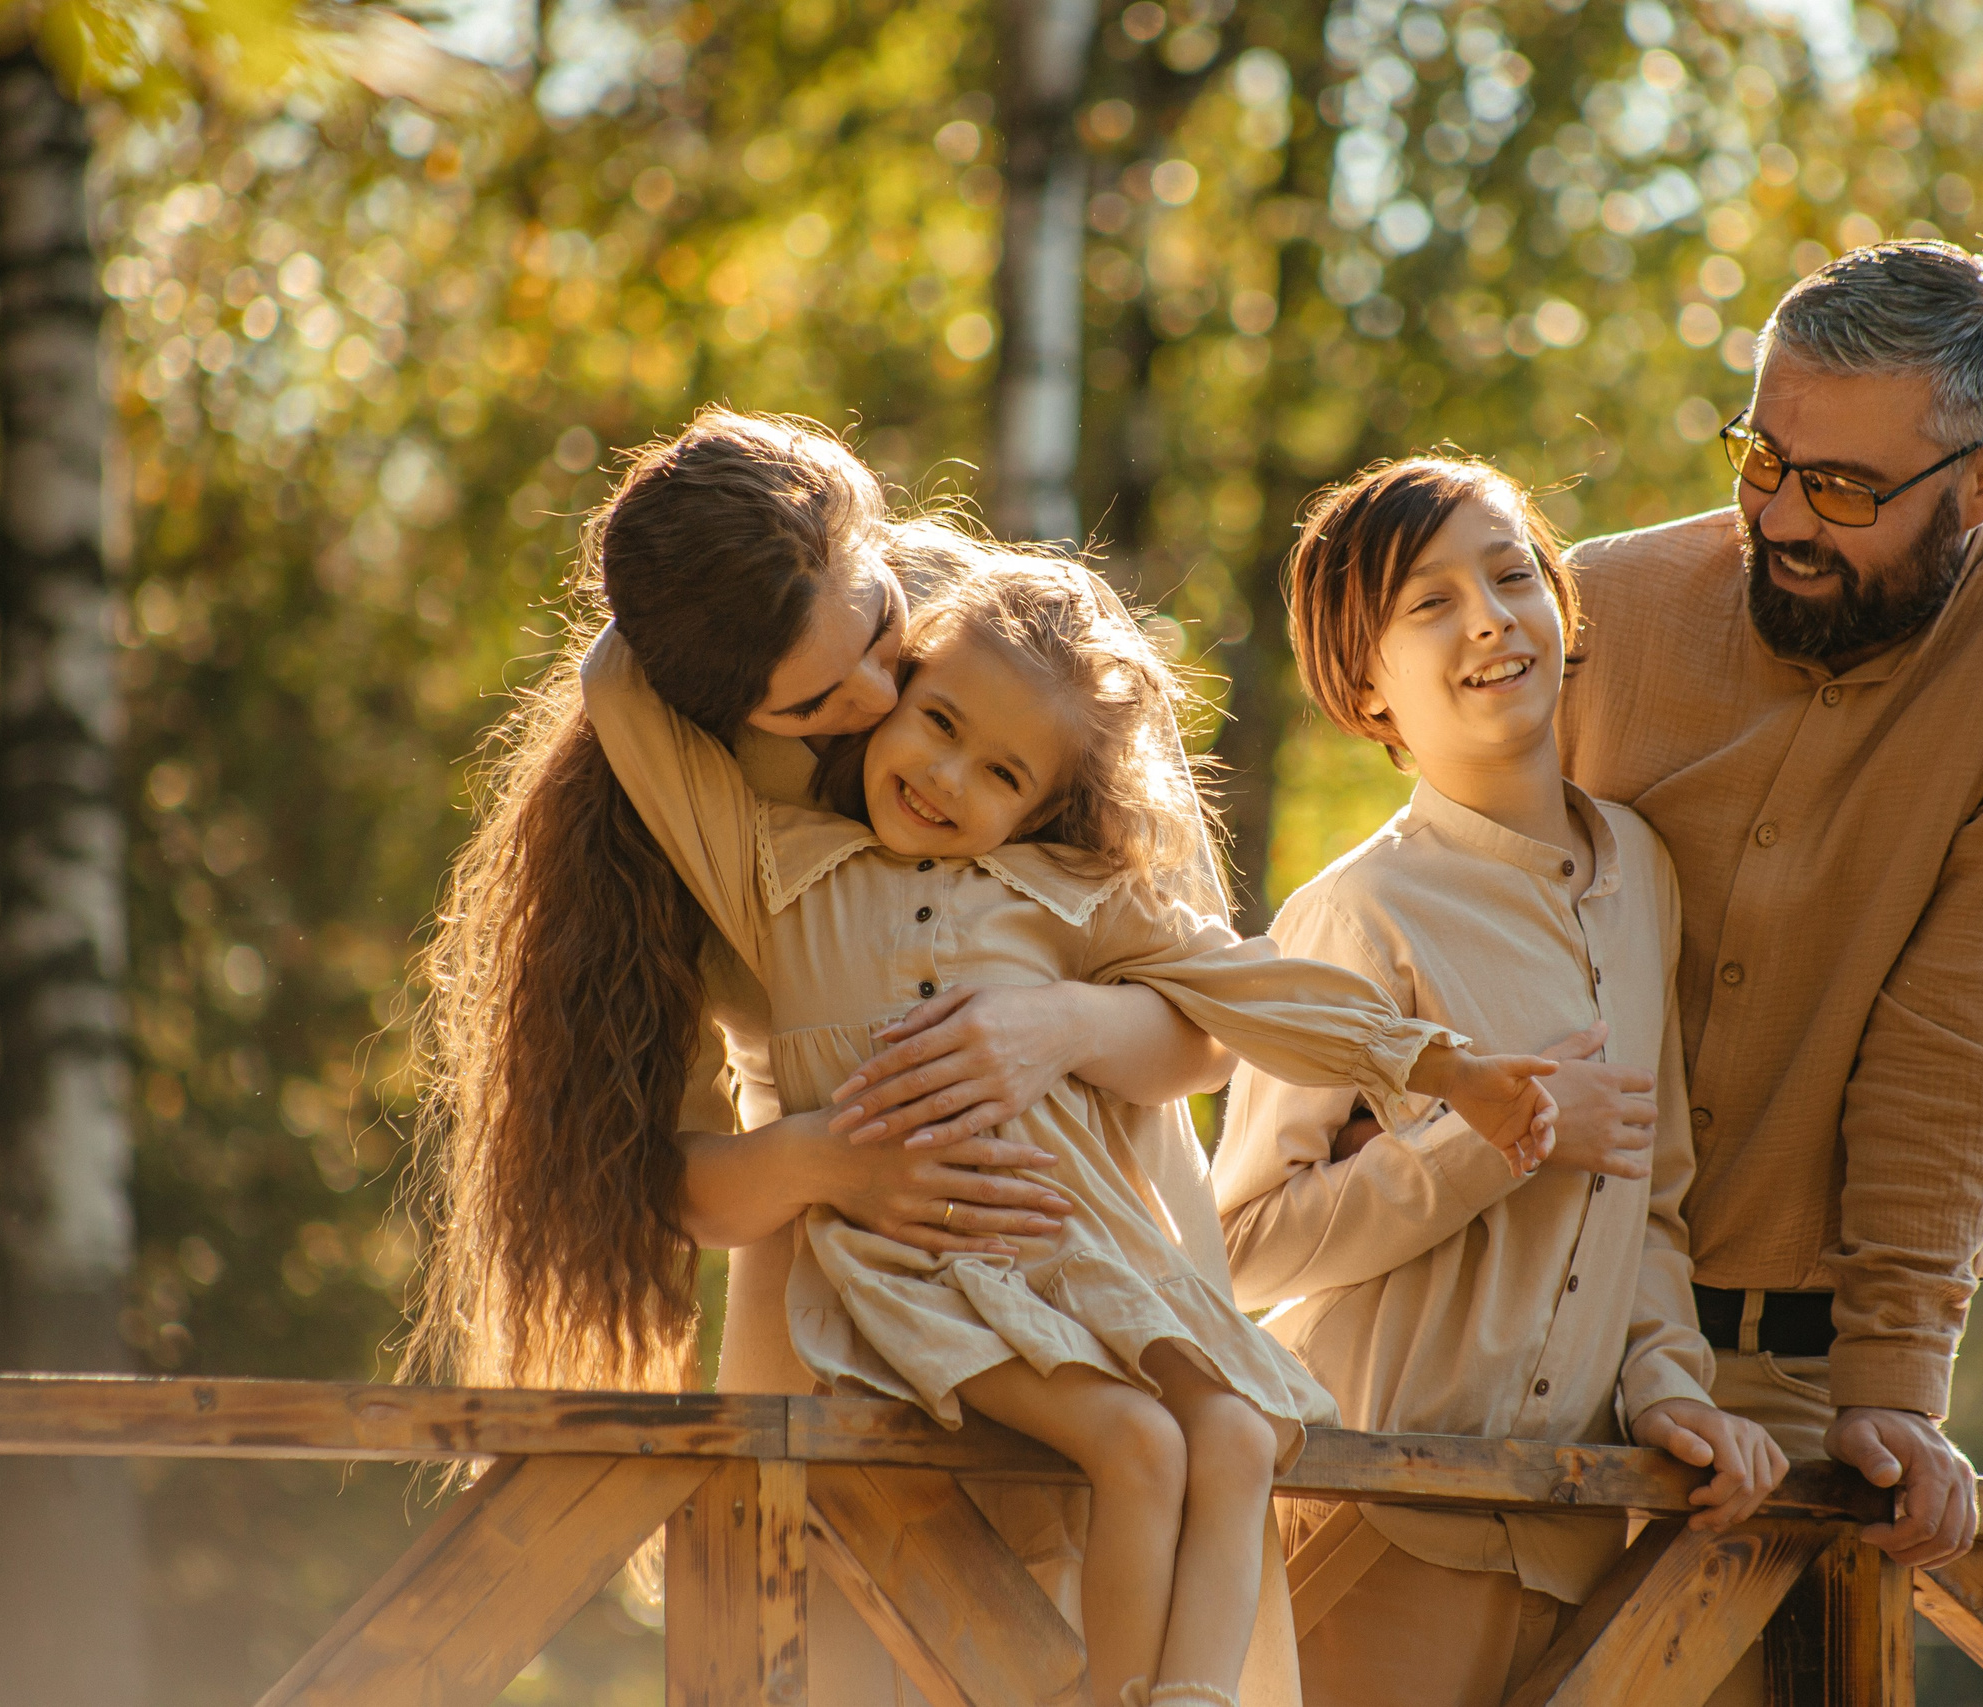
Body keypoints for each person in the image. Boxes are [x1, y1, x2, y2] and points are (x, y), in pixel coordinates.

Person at [581, 545, 1563, 1707]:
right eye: (934, 718)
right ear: (897, 680)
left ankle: (1187, 1698)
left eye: (999, 773)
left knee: (1238, 1439)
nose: (945, 777)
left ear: (1042, 806)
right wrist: (858, 600)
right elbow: (622, 689)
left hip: (1086, 1255)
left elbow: (1247, 989)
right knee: (1141, 1448)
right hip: (926, 1269)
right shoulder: (777, 879)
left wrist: (1444, 1064)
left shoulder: (1062, 896)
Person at [405, 413, 1290, 1697]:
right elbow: (676, 1174)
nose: (872, 701)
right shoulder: (679, 805)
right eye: (813, 703)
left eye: (877, 631)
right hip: (848, 1303)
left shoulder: (1040, 660)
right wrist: (830, 1162)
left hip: (1105, 1257)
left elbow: (1204, 1027)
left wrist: (1062, 1028)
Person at [1559, 242, 1983, 1673]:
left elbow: (1964, 1029)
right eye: (1760, 455)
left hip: (1780, 1394)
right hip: (1494, 1336)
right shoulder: (1593, 608)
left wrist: (1895, 1374)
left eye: (1844, 487)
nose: (1781, 515)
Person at [1212, 456, 1787, 1707]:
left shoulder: (1646, 873)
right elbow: (1238, 1246)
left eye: (1512, 574)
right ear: (1364, 687)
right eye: (1427, 604)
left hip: (1581, 1535)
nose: (1487, 616)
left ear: (1563, 615)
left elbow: (1649, 1203)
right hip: (1377, 1515)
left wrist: (1669, 1393)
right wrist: (1496, 1136)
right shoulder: (1356, 916)